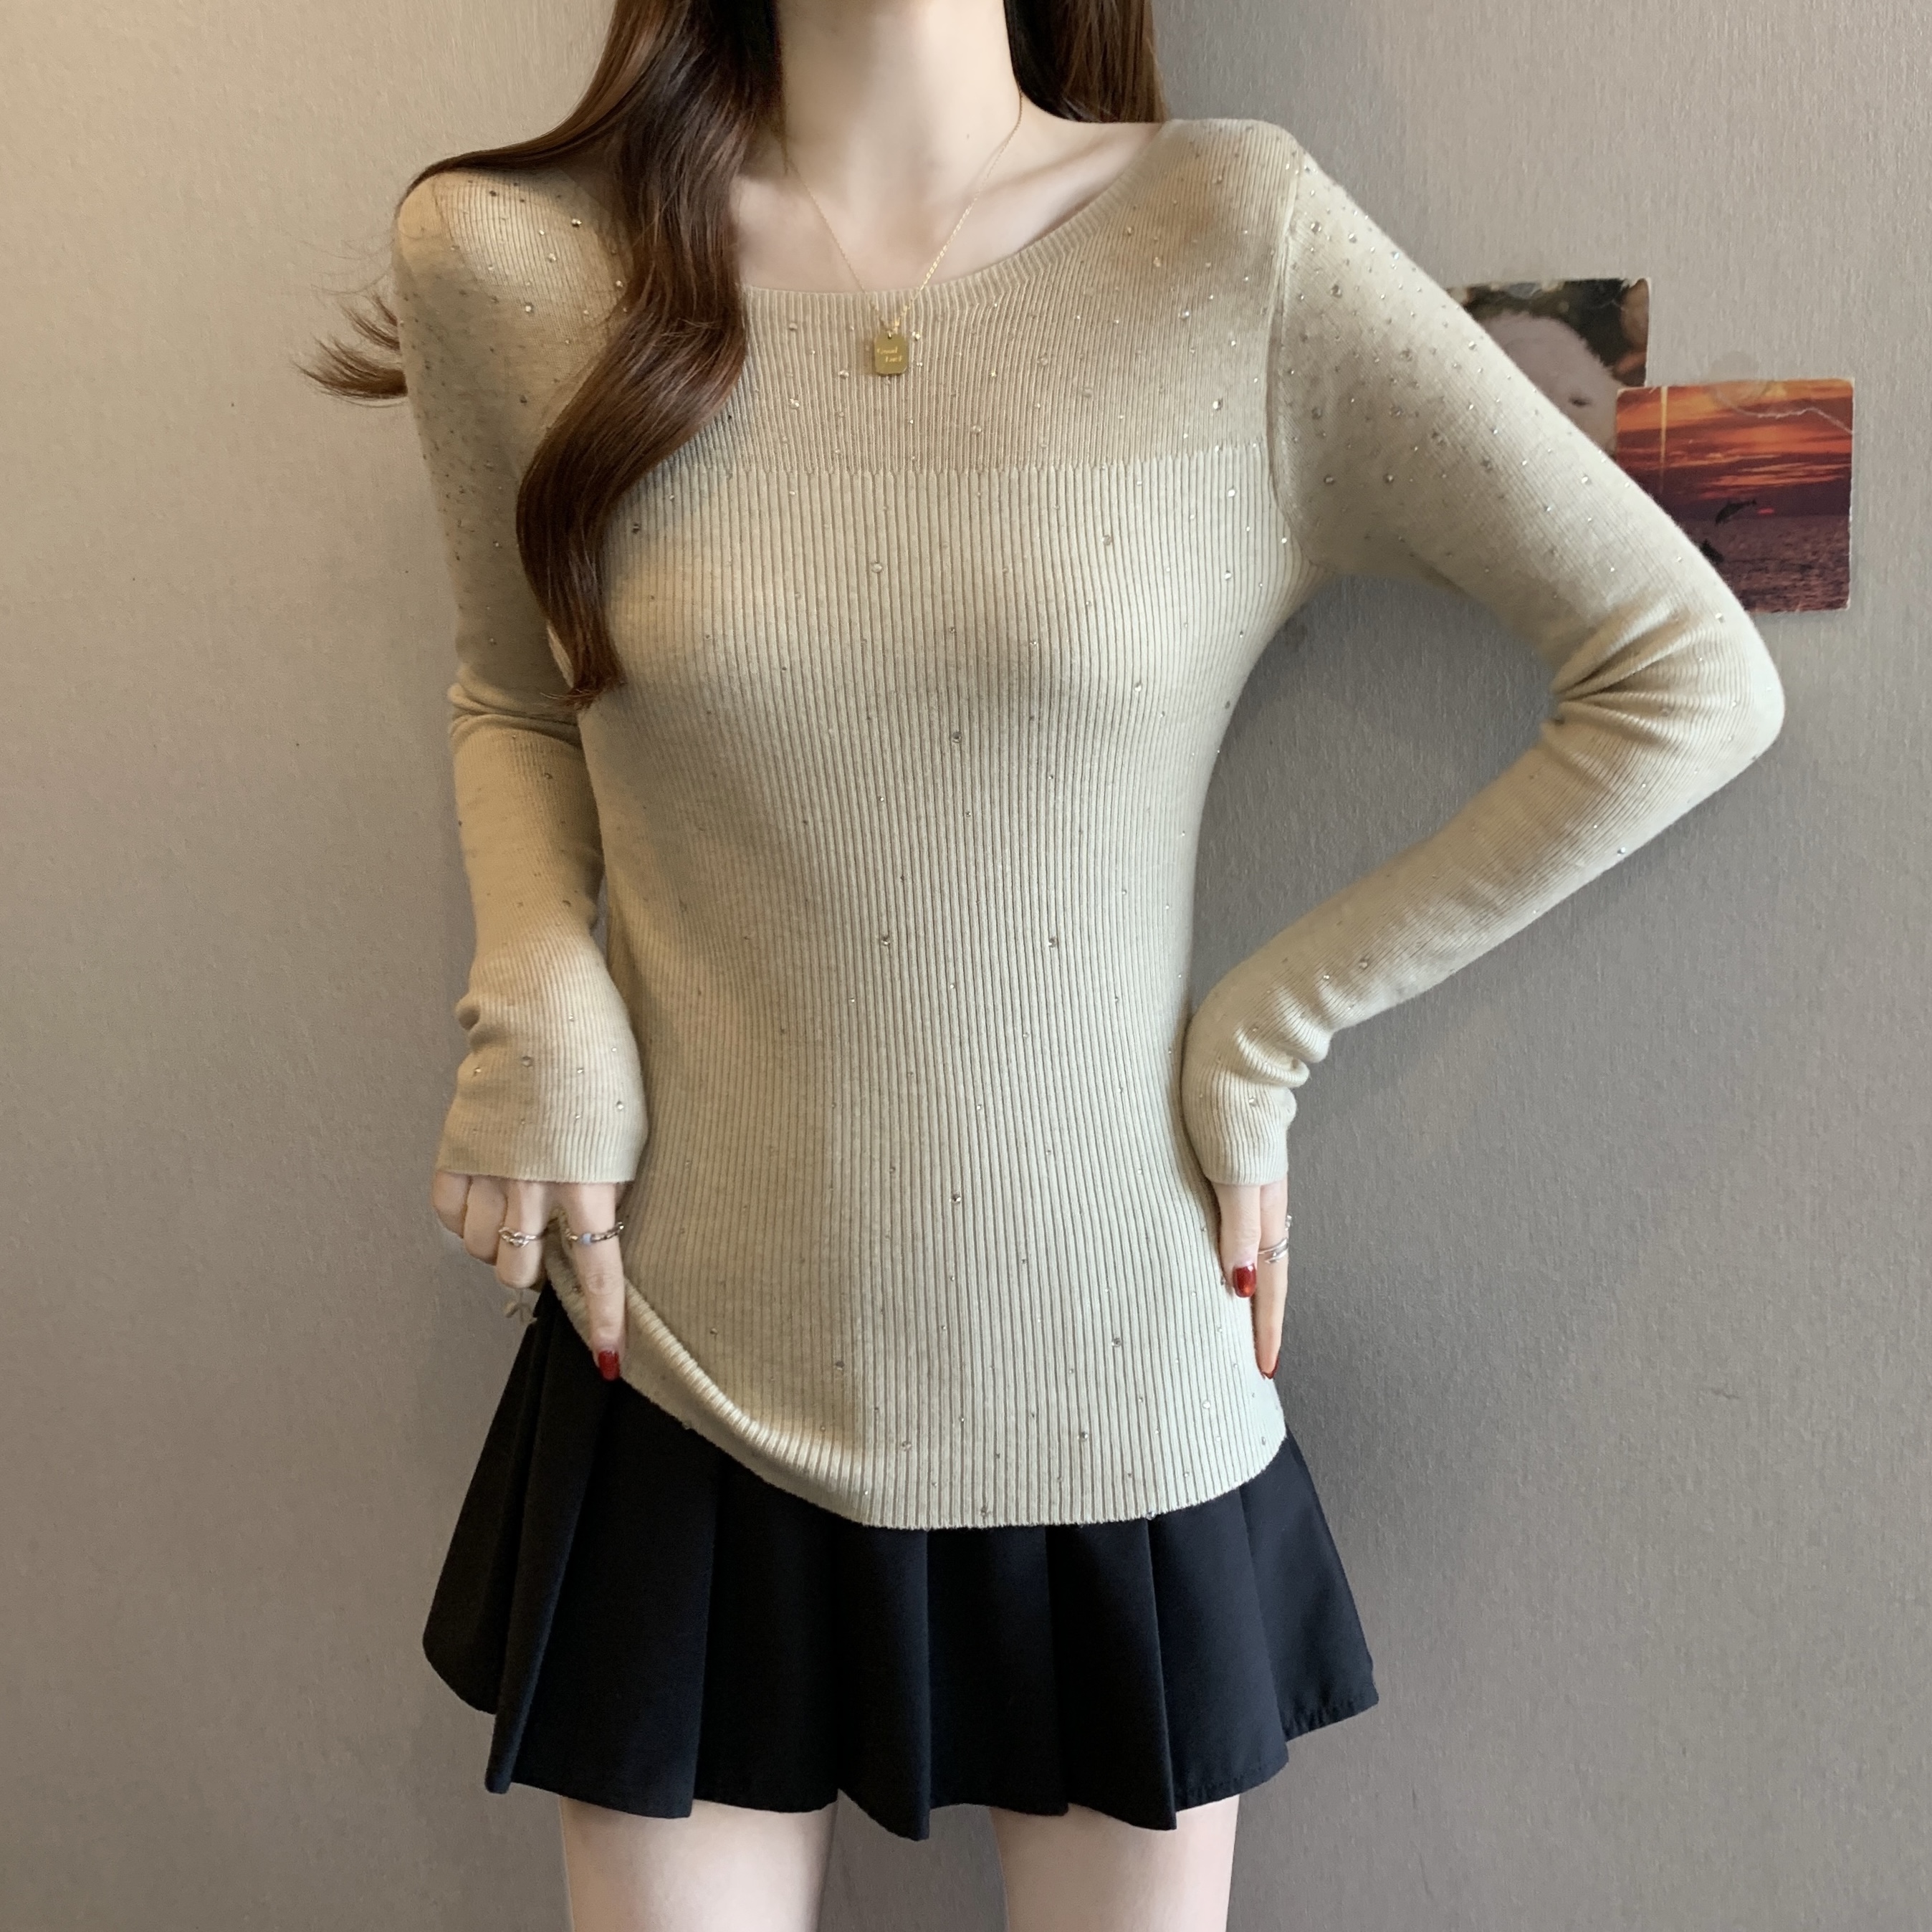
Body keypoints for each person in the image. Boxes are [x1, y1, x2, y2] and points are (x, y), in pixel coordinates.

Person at [307, 0, 1785, 1923]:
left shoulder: (1231, 240)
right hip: (673, 1346)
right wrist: (538, 994)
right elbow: (516, 691)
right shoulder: (512, 261)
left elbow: (1682, 676)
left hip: (1109, 1372)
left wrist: (1269, 1032)